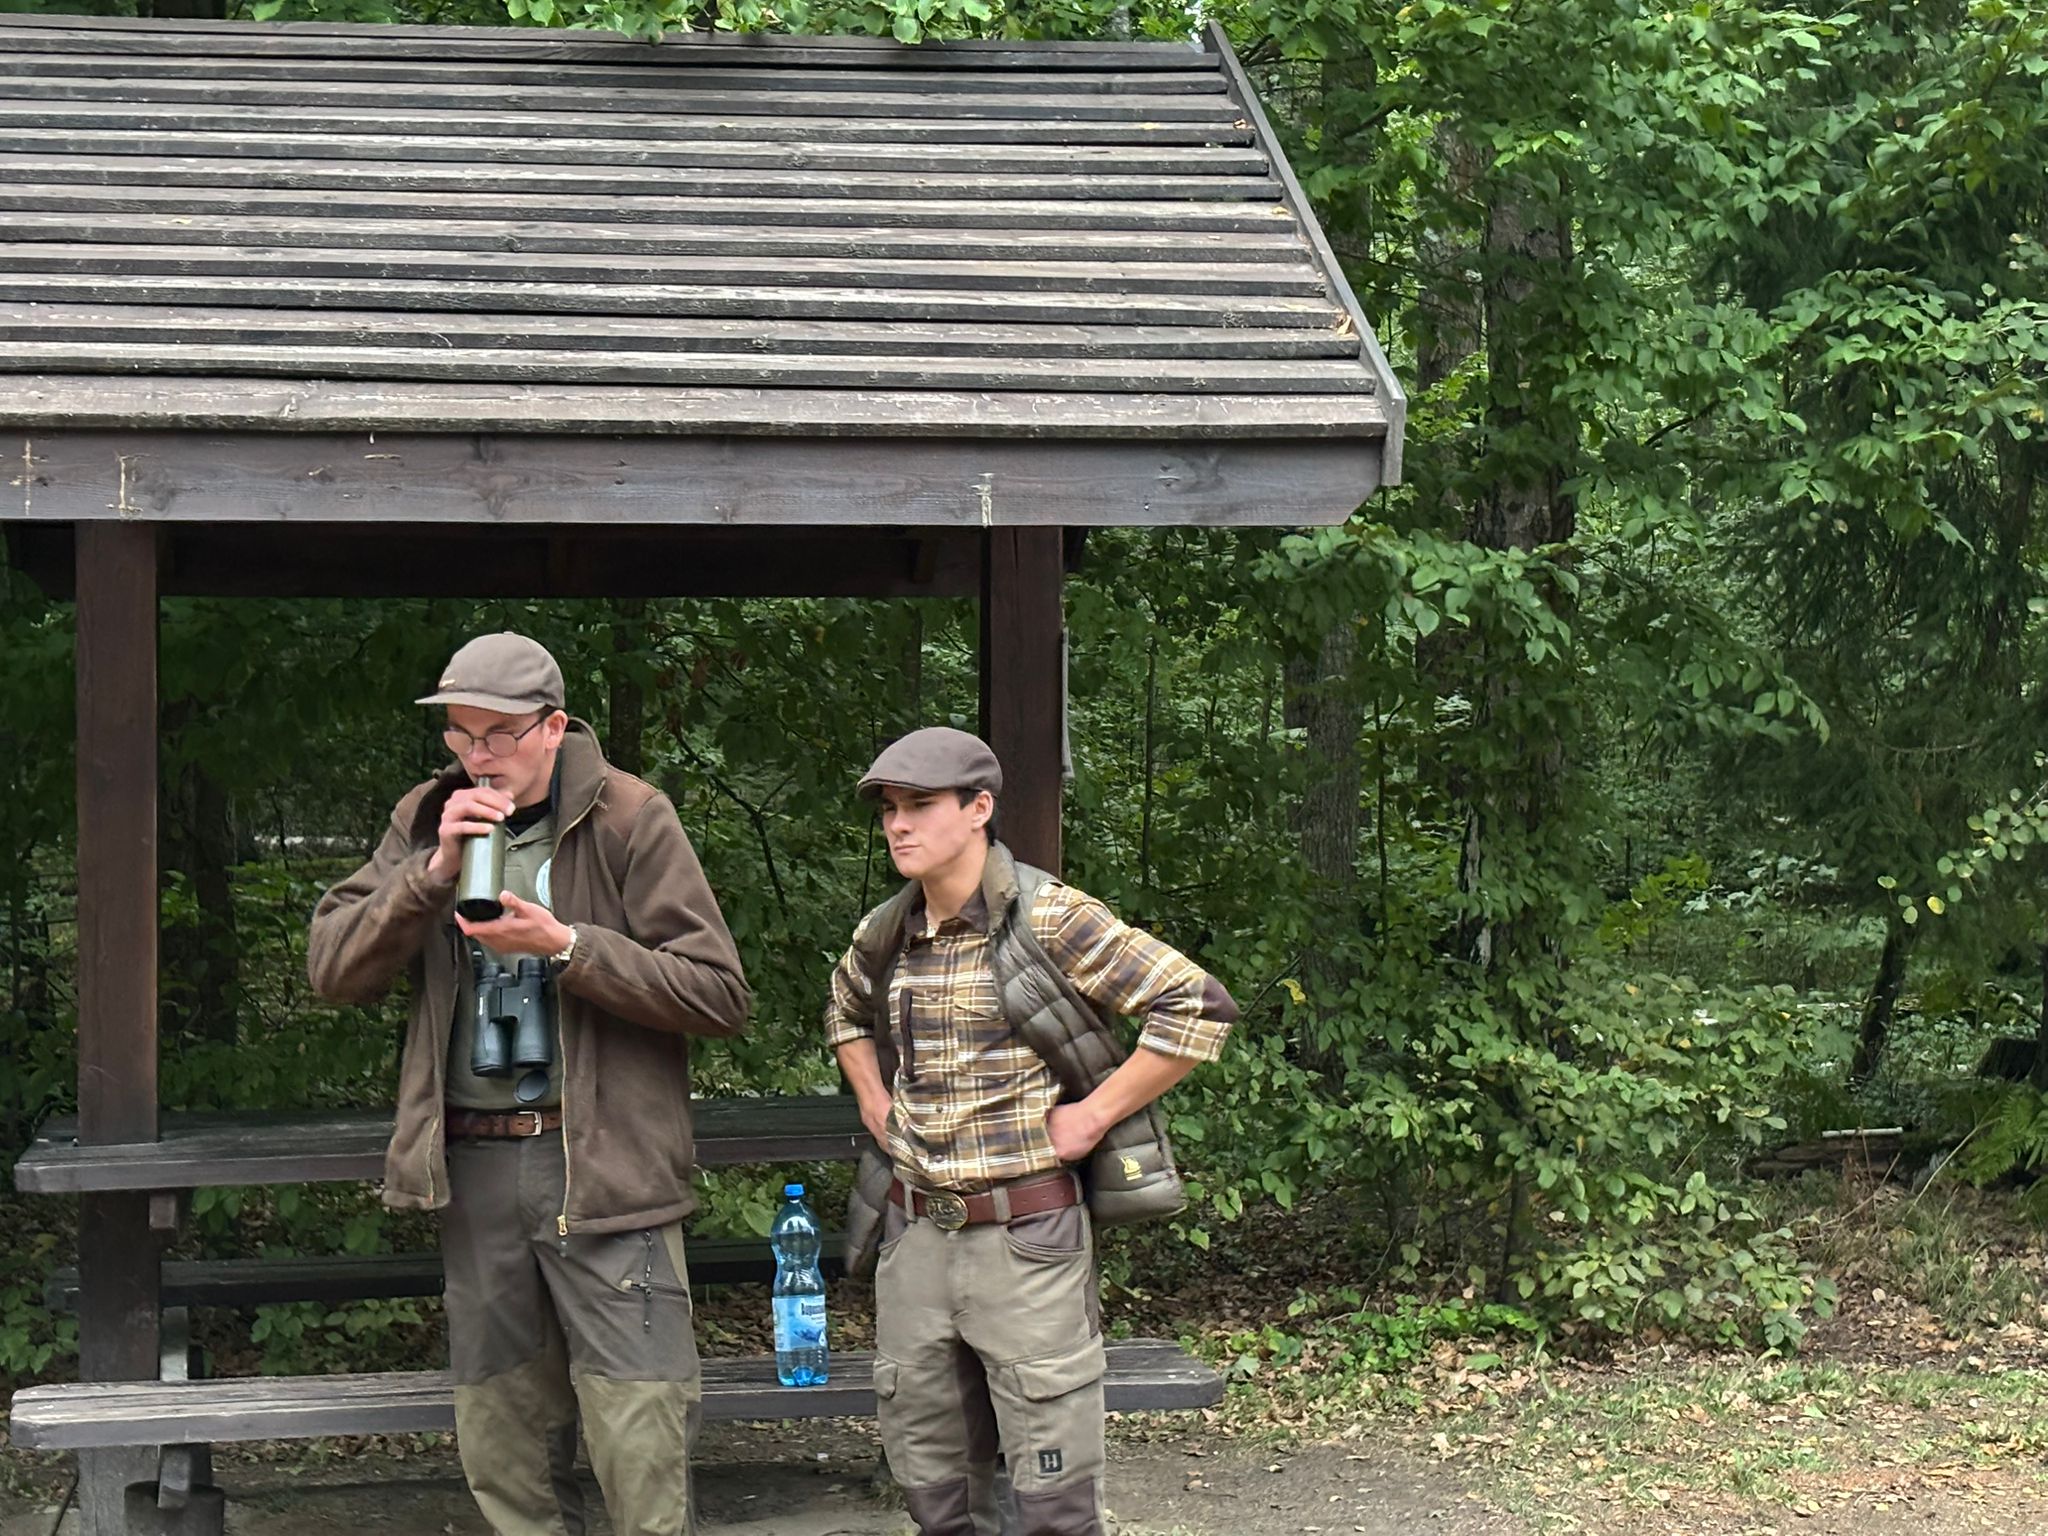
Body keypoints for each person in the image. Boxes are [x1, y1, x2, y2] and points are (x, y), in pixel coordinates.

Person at [308, 632, 750, 1536]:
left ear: (553, 727)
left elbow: (717, 994)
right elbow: (333, 970)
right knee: (503, 1432)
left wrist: (569, 948)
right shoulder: (426, 817)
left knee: (639, 1426)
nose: (478, 754)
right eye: (460, 733)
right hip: (475, 1169)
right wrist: (429, 874)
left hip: (605, 1170)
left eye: (499, 734)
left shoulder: (629, 816)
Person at [825, 727, 1238, 1536]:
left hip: (1027, 1240)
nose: (898, 825)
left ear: (979, 809)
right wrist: (874, 1098)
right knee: (934, 1492)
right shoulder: (887, 931)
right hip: (913, 1236)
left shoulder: (1050, 917)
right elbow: (843, 1010)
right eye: (889, 809)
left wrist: (1094, 1114)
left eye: (920, 805)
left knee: (1054, 1504)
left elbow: (1197, 1005)